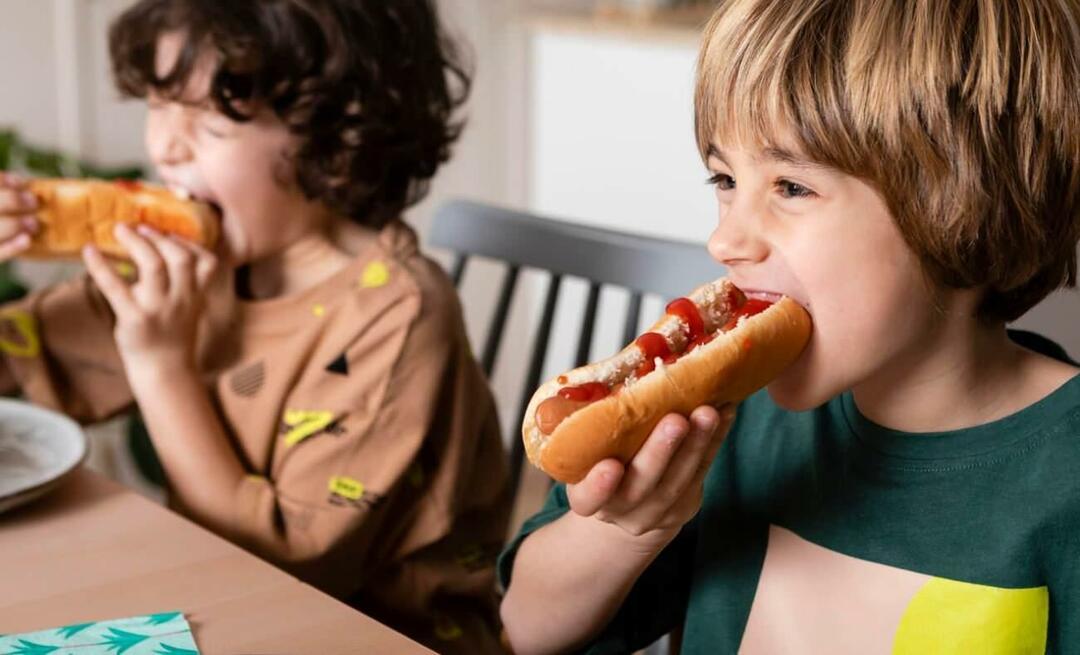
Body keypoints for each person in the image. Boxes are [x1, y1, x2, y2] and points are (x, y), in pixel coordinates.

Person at [498, 0, 1080, 652]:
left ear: (967, 199)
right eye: (724, 178)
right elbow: (525, 628)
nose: (724, 239)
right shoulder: (723, 425)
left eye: (791, 187)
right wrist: (624, 530)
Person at [0, 1, 510, 652]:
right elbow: (14, 357)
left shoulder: (397, 315)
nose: (163, 145)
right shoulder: (194, 267)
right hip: (223, 611)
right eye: (159, 103)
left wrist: (160, 364)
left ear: (337, 134)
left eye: (210, 119)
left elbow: (288, 564)